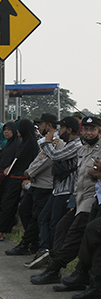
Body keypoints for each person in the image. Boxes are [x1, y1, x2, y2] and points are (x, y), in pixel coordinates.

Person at [31, 116, 101, 285]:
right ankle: (55, 268)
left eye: (93, 129)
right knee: (62, 227)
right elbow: (81, 177)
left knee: (75, 233)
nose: (89, 133)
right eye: (86, 129)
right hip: (79, 197)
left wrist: (94, 172)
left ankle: (59, 268)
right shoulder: (83, 150)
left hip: (93, 199)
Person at [29, 116, 82, 269]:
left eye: (62, 128)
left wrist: (47, 142)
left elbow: (55, 156)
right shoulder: (69, 144)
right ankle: (45, 249)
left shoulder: (76, 145)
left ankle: (52, 255)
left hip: (67, 190)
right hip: (58, 189)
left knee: (55, 224)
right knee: (43, 218)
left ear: (70, 130)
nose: (59, 132)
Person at [5, 114, 57, 256]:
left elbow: (47, 160)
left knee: (36, 216)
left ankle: (27, 244)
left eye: (41, 125)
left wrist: (30, 173)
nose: (39, 128)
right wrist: (30, 171)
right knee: (25, 210)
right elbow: (38, 158)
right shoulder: (45, 140)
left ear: (49, 125)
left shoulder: (55, 141)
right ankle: (32, 241)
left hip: (46, 184)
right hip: (37, 183)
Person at [0, 119, 39, 242]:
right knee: (5, 203)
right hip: (13, 177)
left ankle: (0, 231)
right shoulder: (24, 142)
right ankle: (0, 229)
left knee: (8, 205)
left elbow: (31, 163)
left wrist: (28, 177)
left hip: (19, 178)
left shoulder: (29, 144)